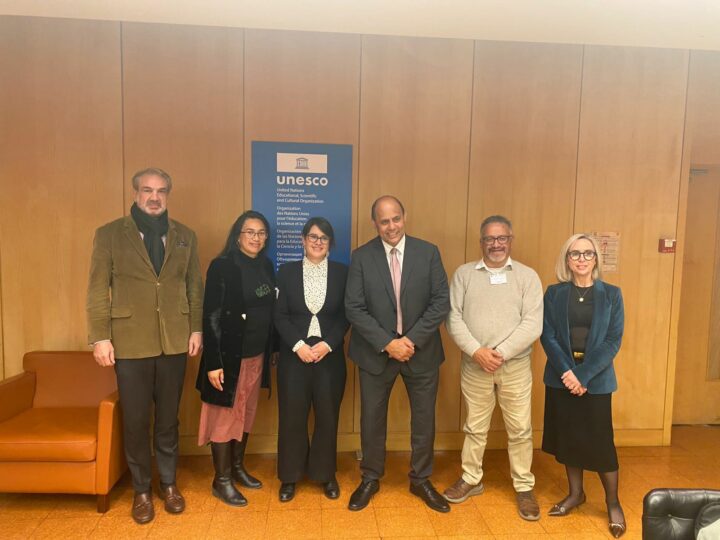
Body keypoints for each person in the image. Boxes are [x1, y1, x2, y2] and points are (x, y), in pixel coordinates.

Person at [87, 167, 203, 524]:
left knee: (168, 420)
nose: (155, 197)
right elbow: (97, 289)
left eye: (161, 191)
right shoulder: (109, 234)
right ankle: (141, 489)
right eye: (148, 190)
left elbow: (194, 286)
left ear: (168, 195)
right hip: (130, 343)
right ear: (135, 193)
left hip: (174, 342)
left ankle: (168, 484)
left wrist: (196, 329)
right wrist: (100, 337)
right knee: (136, 421)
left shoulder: (185, 235)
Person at [344, 195, 450, 513]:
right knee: (371, 419)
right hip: (375, 353)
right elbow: (354, 307)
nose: (391, 226)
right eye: (384, 221)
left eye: (396, 219)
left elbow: (440, 302)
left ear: (404, 217)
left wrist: (410, 340)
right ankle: (370, 477)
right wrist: (388, 343)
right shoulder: (361, 257)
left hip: (422, 352)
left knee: (424, 419)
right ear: (374, 223)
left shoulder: (428, 252)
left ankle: (421, 479)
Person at [444, 215, 543, 521]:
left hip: (515, 366)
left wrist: (500, 353)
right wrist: (478, 352)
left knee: (520, 429)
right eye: (490, 238)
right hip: (475, 365)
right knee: (474, 426)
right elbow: (453, 318)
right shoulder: (464, 275)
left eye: (502, 238)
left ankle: (524, 486)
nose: (496, 244)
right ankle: (471, 478)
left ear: (510, 240)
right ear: (481, 242)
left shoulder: (527, 276)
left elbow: (533, 323)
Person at [540, 233, 626, 538]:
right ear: (567, 260)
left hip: (596, 381)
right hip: (562, 378)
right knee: (569, 439)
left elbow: (612, 340)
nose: (581, 259)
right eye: (575, 253)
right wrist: (568, 373)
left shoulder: (612, 294)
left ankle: (613, 503)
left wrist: (583, 375)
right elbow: (547, 335)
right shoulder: (554, 293)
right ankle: (576, 494)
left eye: (588, 253)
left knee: (601, 444)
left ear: (596, 259)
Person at [195, 211, 276, 507]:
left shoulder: (266, 266)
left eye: (261, 232)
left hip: (256, 355)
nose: (256, 238)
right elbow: (211, 316)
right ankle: (222, 479)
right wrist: (213, 362)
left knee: (245, 413)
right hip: (228, 358)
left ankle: (237, 467)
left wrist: (273, 349)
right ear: (237, 236)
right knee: (224, 417)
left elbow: (269, 310)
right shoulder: (223, 266)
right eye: (250, 232)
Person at [274, 217, 349, 502]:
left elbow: (346, 315)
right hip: (294, 355)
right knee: (292, 416)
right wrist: (298, 345)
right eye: (313, 237)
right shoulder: (286, 272)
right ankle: (290, 476)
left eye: (324, 238)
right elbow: (279, 315)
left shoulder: (342, 273)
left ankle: (325, 474)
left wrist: (328, 344)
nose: (318, 242)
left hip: (329, 355)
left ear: (330, 243)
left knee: (327, 416)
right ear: (303, 240)